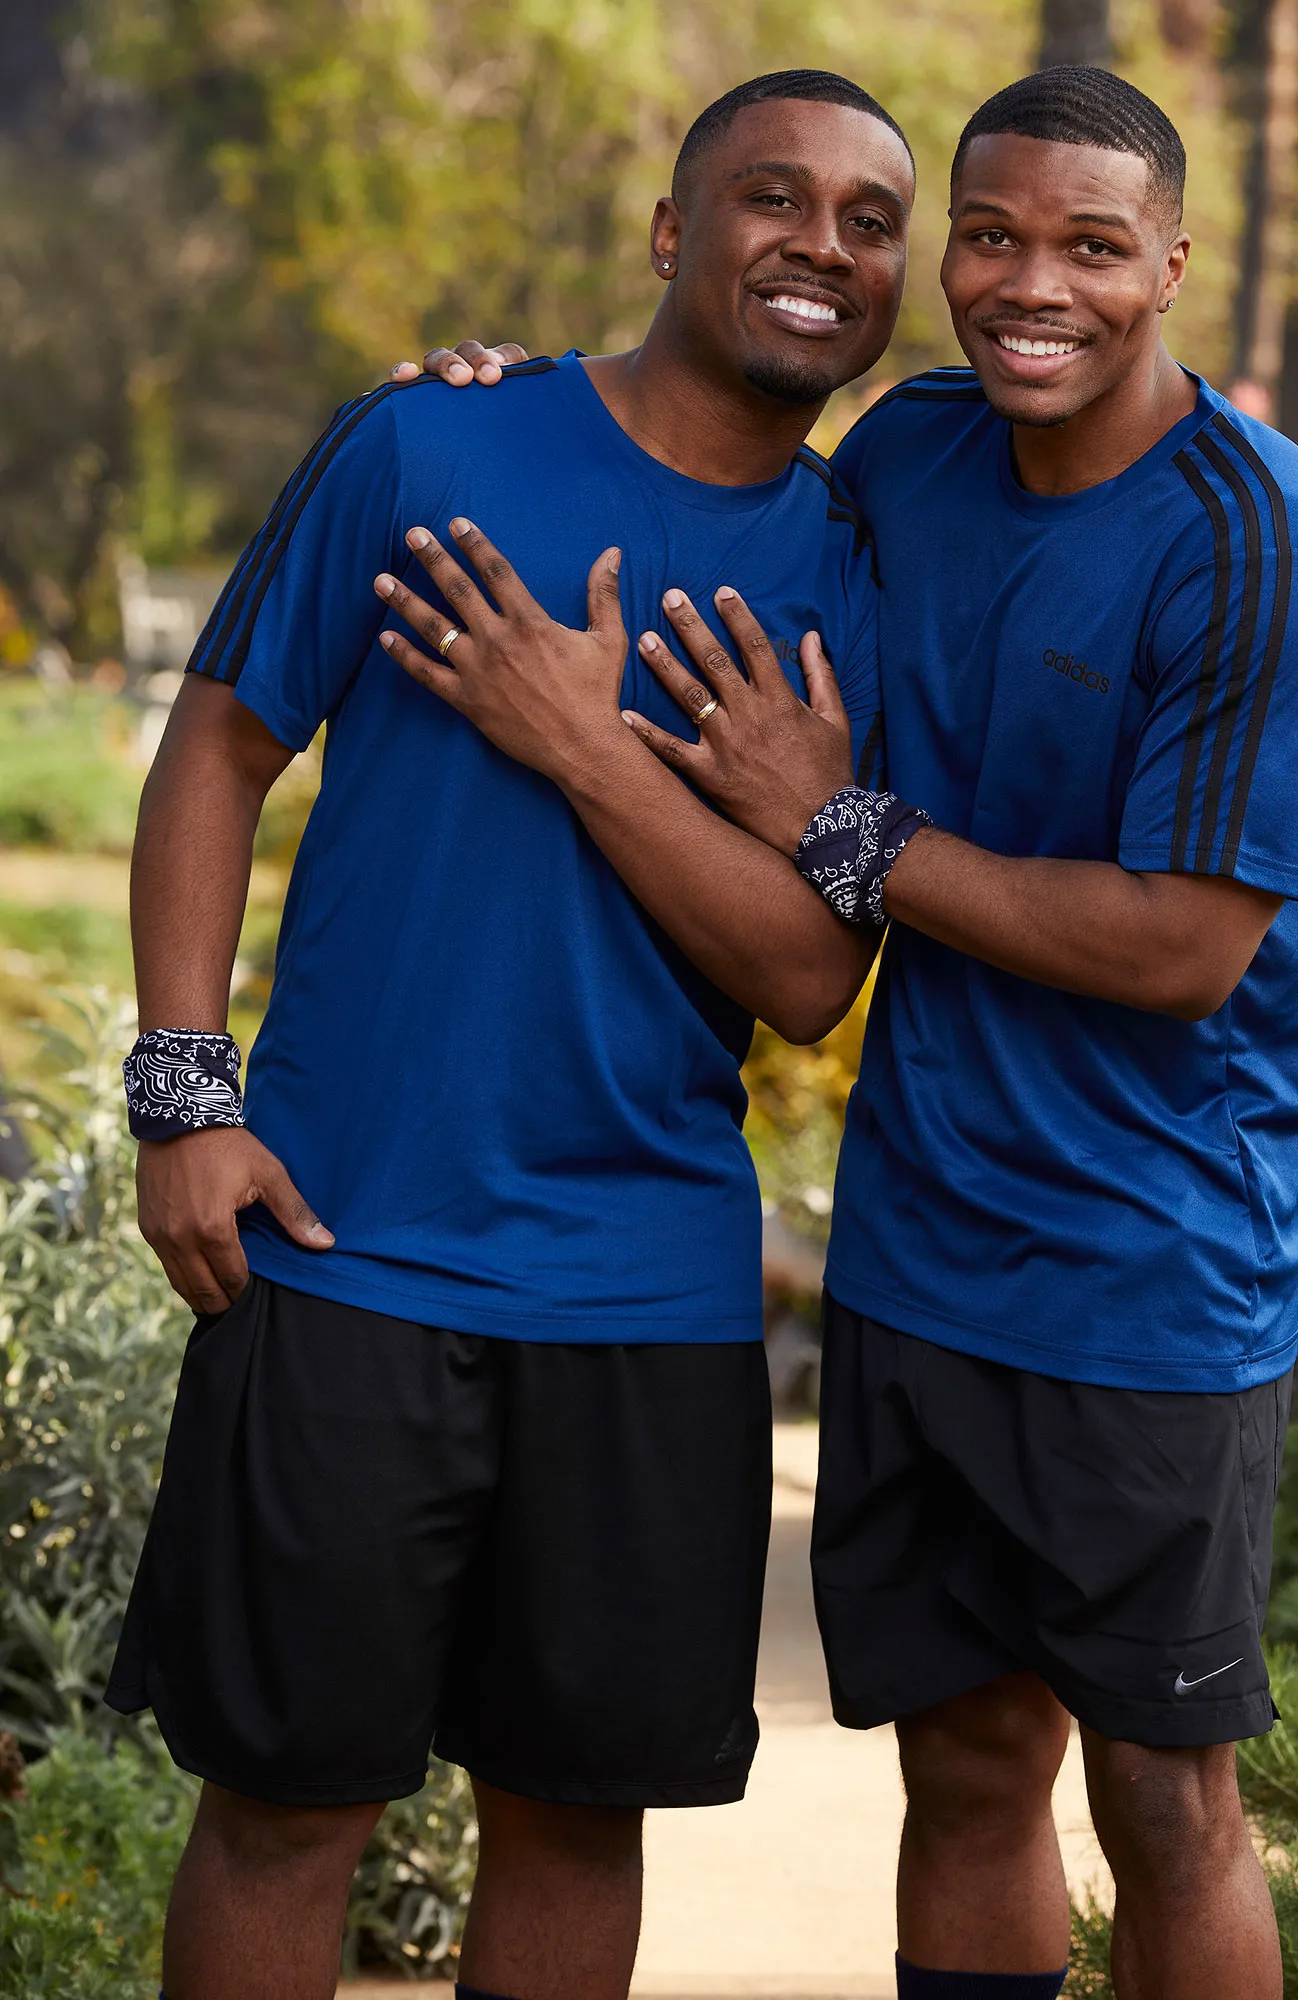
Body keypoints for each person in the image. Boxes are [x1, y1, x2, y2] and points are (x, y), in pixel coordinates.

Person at [413, 65, 1298, 2000]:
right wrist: (512, 407)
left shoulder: (1259, 540)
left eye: (1093, 247)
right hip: (921, 1251)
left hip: (1146, 1279)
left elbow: (1185, 946)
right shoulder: (917, 447)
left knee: (1163, 1795)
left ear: (1172, 266)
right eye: (992, 236)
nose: (1035, 285)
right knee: (969, 1765)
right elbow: (700, 442)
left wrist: (844, 829)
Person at [107, 71, 916, 2000]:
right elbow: (216, 747)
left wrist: (581, 744)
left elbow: (813, 976)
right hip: (344, 1247)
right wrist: (182, 1096)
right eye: (772, 197)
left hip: (647, 1296)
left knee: (574, 1819)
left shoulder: (860, 569)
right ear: (669, 230)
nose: (820, 245)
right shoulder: (425, 441)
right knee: (284, 1811)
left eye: (872, 221)